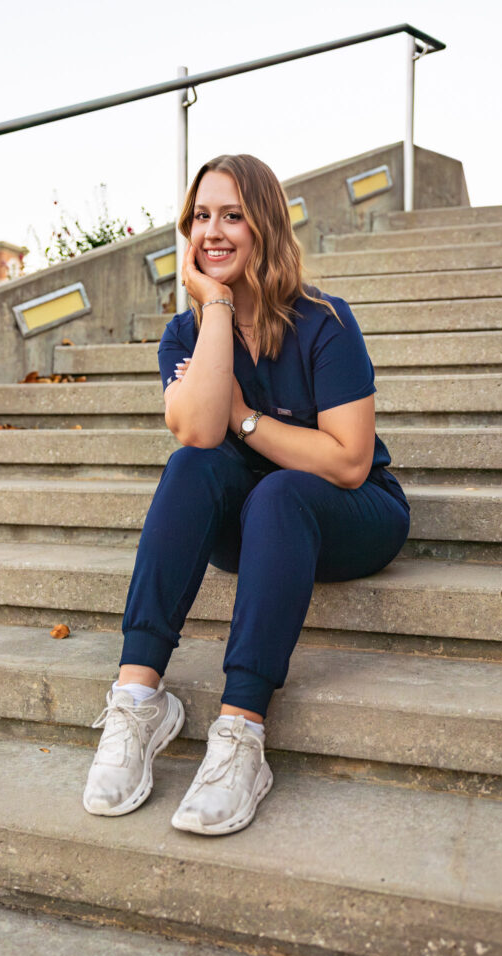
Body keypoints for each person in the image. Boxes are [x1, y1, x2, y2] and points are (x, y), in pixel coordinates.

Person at [82, 153, 410, 835]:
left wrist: (247, 419)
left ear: (263, 224)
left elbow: (347, 462)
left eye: (232, 215)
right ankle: (139, 700)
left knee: (280, 493)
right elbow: (199, 431)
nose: (213, 231)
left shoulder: (324, 320)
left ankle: (240, 734)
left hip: (351, 516)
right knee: (189, 468)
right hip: (252, 525)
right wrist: (218, 309)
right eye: (200, 216)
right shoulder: (185, 333)